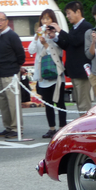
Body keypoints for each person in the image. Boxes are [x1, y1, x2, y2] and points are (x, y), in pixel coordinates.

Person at [28, 9, 67, 138]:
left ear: (53, 20)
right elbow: (31, 50)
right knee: (48, 103)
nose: (45, 21)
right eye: (43, 19)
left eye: (48, 18)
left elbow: (58, 53)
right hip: (43, 74)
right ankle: (51, 128)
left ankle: (62, 127)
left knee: (60, 102)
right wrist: (36, 38)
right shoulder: (39, 35)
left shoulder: (55, 35)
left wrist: (46, 43)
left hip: (55, 73)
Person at [51, 1, 93, 116]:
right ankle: (83, 126)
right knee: (79, 101)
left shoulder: (86, 27)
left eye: (69, 13)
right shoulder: (74, 28)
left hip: (82, 71)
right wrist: (56, 38)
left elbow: (75, 41)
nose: (67, 16)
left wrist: (60, 31)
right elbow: (68, 46)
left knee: (84, 102)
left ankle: (86, 127)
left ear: (78, 12)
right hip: (74, 71)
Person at [0, 12, 25, 138]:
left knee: (13, 102)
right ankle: (8, 127)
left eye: (1, 20)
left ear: (7, 21)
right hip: (0, 72)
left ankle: (16, 128)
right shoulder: (0, 36)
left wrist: (15, 67)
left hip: (11, 73)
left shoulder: (12, 35)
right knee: (4, 103)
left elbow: (20, 54)